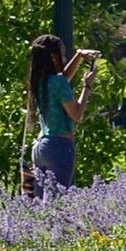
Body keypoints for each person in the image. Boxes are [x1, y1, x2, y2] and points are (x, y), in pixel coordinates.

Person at [25, 34, 98, 190]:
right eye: (62, 54)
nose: (64, 58)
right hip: (59, 147)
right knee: (57, 202)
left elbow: (63, 79)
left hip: (40, 148)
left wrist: (78, 56)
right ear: (53, 56)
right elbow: (76, 115)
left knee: (39, 203)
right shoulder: (57, 82)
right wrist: (87, 86)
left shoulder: (39, 81)